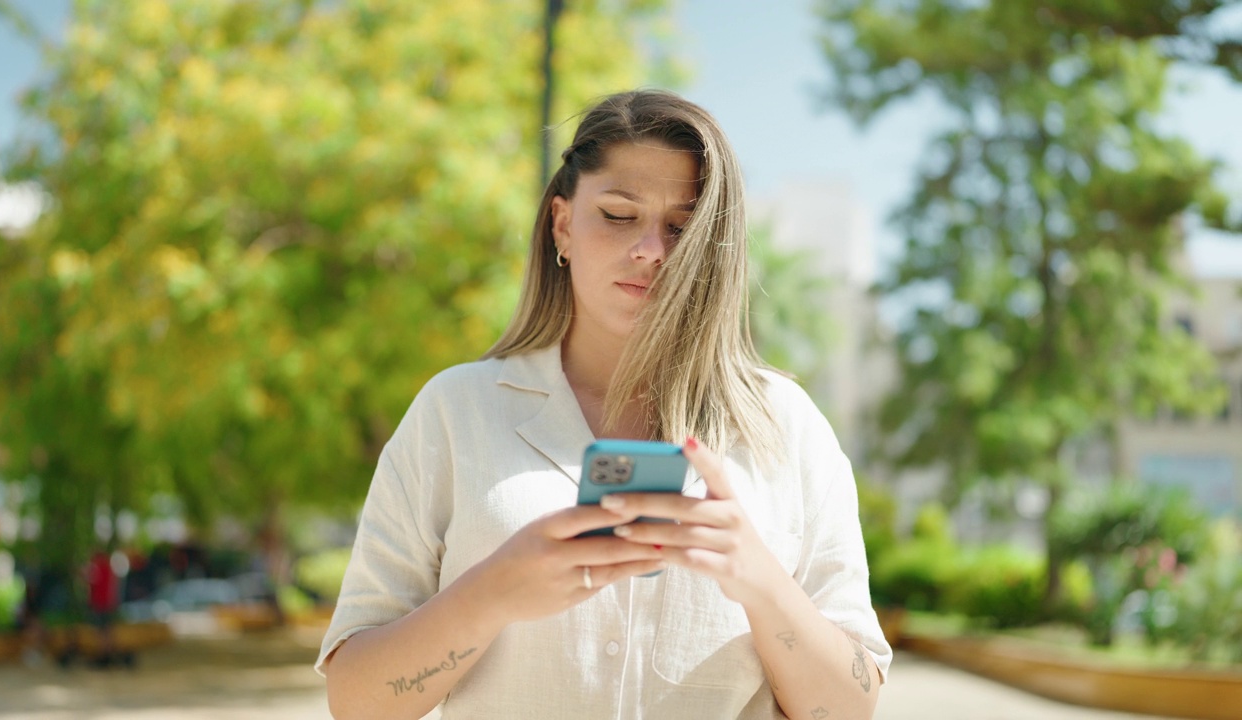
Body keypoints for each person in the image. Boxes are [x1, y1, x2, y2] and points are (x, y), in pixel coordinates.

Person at [318, 89, 891, 720]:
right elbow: (355, 702)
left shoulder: (788, 427)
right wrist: (492, 593)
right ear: (562, 224)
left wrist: (759, 580)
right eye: (619, 215)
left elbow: (853, 708)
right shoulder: (454, 413)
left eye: (681, 227)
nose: (651, 250)